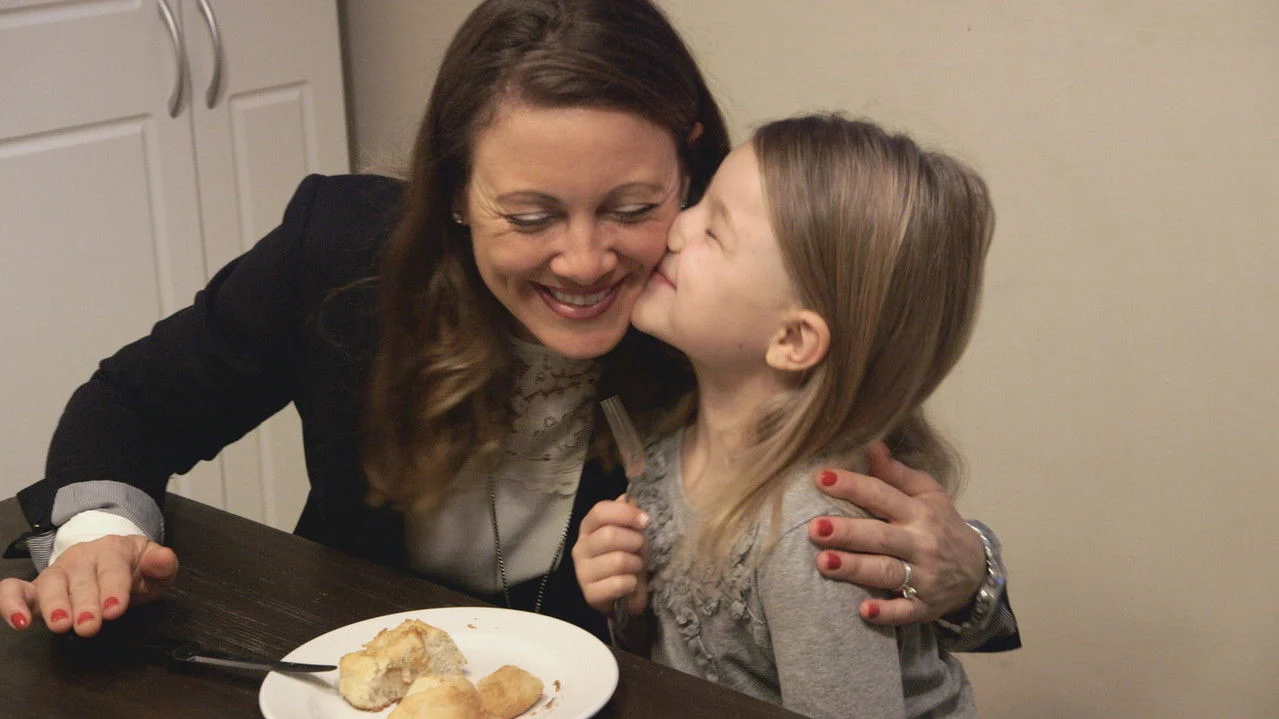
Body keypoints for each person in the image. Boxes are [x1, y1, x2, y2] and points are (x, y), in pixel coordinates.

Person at [0, 0, 1015, 650]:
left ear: (688, 163)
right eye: (530, 216)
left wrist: (971, 576)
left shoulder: (729, 310)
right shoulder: (335, 251)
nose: (584, 263)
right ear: (449, 191)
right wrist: (96, 533)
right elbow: (132, 403)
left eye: (632, 207)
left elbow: (873, 496)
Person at [573, 114, 994, 716]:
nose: (674, 229)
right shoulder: (669, 446)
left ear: (793, 340)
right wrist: (625, 605)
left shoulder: (807, 542)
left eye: (713, 231)